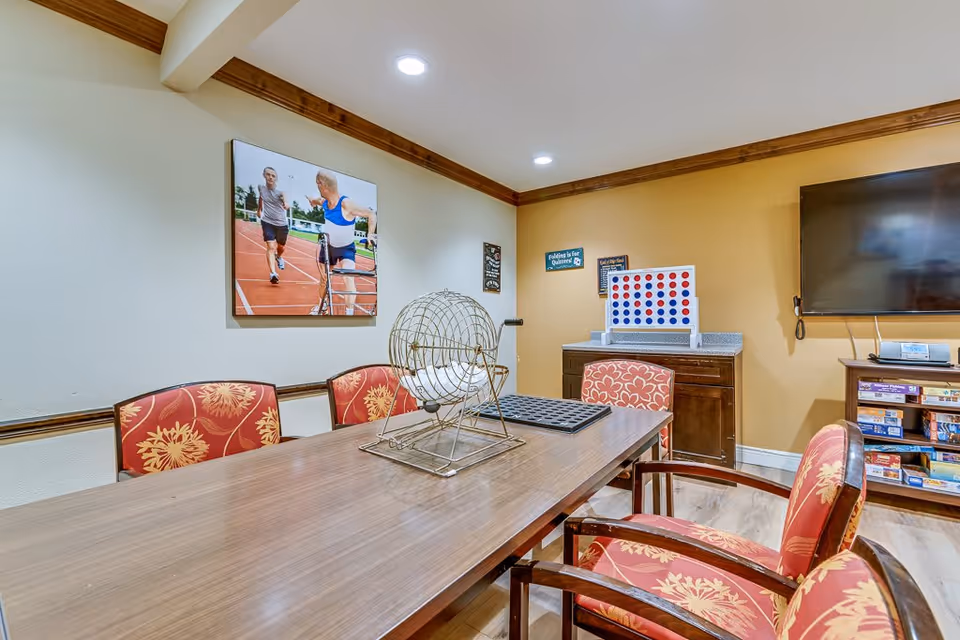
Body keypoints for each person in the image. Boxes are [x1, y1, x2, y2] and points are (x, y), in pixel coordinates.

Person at [307, 169, 377, 315]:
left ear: (322, 185)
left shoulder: (346, 204)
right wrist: (311, 202)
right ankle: (321, 305)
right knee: (324, 279)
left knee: (348, 277)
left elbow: (371, 214)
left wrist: (370, 234)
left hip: (346, 248)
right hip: (329, 247)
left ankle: (349, 313)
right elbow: (315, 200)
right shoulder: (324, 202)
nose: (317, 187)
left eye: (317, 184)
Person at [257, 167, 290, 285]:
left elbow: (285, 199)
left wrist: (286, 204)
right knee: (271, 247)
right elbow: (261, 197)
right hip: (267, 222)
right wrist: (259, 209)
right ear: (264, 175)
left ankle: (279, 257)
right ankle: (273, 274)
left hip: (281, 224)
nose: (270, 177)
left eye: (273, 175)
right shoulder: (261, 188)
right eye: (268, 175)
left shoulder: (280, 192)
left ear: (276, 178)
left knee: (281, 248)